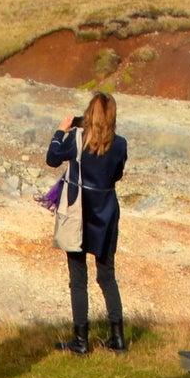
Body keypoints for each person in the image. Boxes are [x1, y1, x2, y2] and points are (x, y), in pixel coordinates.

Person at [47, 93, 129, 355]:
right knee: (107, 277)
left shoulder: (77, 139)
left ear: (89, 115)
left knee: (78, 279)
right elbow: (116, 175)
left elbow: (52, 158)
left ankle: (81, 341)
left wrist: (61, 130)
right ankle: (118, 338)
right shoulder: (120, 144)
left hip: (79, 212)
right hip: (105, 213)